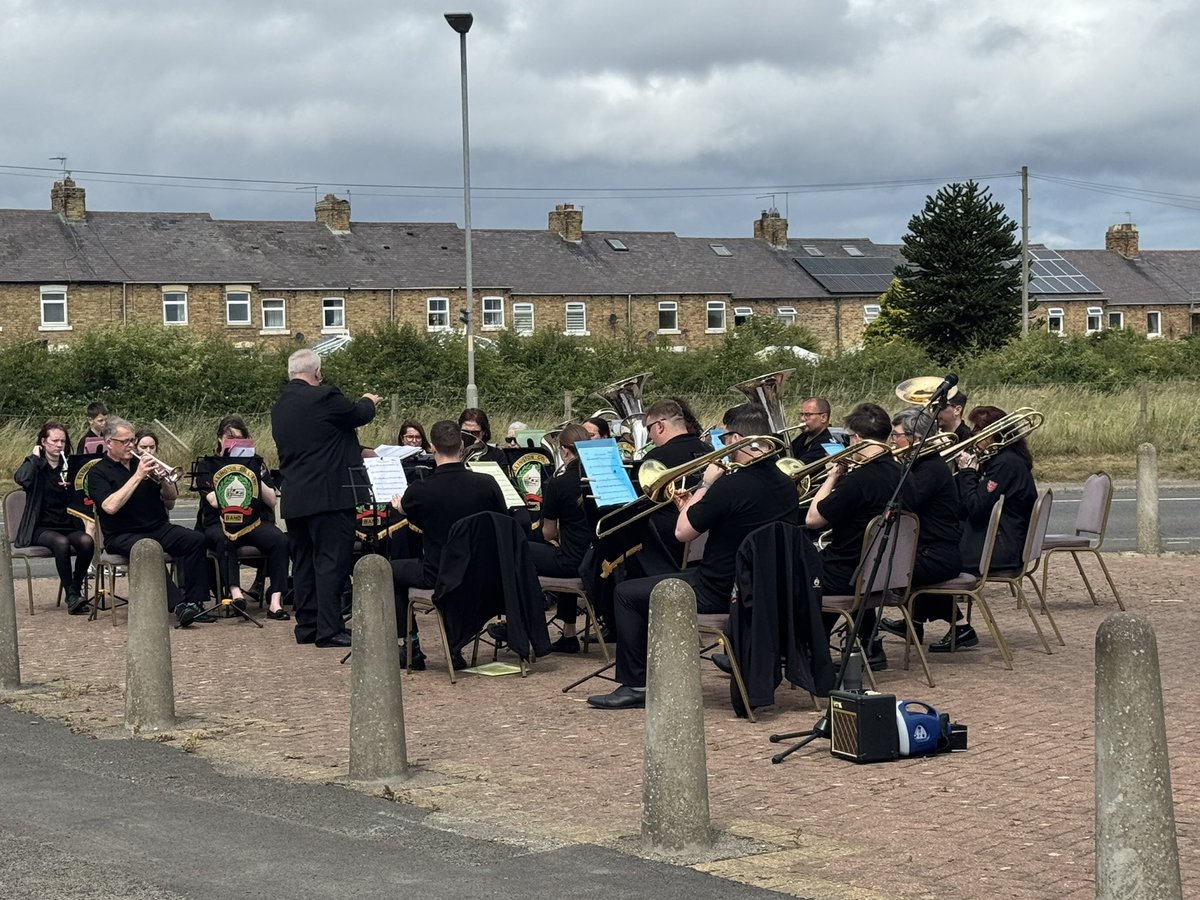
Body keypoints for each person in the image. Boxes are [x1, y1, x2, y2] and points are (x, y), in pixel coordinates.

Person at [588, 403, 800, 710]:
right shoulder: (785, 483)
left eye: (725, 439)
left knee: (625, 593)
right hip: (762, 588)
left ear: (736, 438)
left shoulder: (730, 485)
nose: (723, 445)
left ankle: (636, 683)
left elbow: (683, 533)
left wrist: (705, 484)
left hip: (718, 591)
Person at [271, 348, 380, 649]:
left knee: (304, 562)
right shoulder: (325, 397)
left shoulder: (279, 406)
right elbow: (359, 414)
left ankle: (307, 625)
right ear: (317, 373)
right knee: (331, 561)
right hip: (330, 496)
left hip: (295, 496)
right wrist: (369, 400)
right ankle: (330, 629)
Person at [390, 420, 507, 669]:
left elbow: (413, 516)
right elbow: (502, 520)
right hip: (482, 574)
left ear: (432, 447)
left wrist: (400, 506)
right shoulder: (487, 484)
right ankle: (455, 647)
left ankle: (411, 646)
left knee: (389, 571)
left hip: (439, 575)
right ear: (462, 448)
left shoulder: (420, 490)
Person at [929, 405, 1037, 653]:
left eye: (980, 429)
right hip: (998, 539)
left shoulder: (1005, 464)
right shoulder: (1002, 460)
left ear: (995, 433)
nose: (975, 434)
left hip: (1000, 547)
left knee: (929, 561)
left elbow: (976, 507)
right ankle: (919, 622)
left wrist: (967, 472)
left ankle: (959, 626)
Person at [88, 417, 210, 626]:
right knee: (148, 549)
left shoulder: (143, 463)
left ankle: (195, 602)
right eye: (124, 441)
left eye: (132, 440)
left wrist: (165, 480)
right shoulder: (98, 472)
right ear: (109, 443)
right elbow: (109, 506)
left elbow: (170, 500)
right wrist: (137, 476)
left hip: (156, 526)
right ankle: (178, 605)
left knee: (195, 539)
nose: (130, 446)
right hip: (122, 534)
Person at [805, 402, 900, 671]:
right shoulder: (903, 474)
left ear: (856, 438)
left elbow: (813, 520)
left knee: (789, 570)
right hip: (882, 571)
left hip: (847, 572)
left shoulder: (858, 480)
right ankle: (870, 644)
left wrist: (832, 477)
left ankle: (805, 650)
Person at [878, 408, 964, 647]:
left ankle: (868, 641)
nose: (892, 441)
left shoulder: (930, 468)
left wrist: (888, 468)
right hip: (929, 549)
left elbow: (906, 504)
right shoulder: (920, 465)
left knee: (875, 571)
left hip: (938, 553)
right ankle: (915, 625)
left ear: (915, 439)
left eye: (896, 435)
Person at [195, 415, 290, 620]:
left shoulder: (256, 463)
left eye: (239, 438)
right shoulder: (207, 465)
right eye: (229, 438)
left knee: (280, 541)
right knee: (224, 539)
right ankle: (235, 593)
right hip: (219, 521)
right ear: (220, 439)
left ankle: (275, 601)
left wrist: (253, 473)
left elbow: (272, 501)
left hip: (252, 522)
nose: (234, 443)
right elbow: (213, 500)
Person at [13, 421, 95, 614]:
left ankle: (74, 587)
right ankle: (72, 595)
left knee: (86, 541)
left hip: (67, 523)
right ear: (43, 442)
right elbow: (22, 479)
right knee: (61, 543)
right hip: (41, 526)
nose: (59, 445)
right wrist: (34, 457)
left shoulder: (69, 467)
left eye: (62, 441)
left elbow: (84, 489)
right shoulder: (36, 467)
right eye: (55, 441)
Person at [526, 423, 593, 652]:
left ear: (564, 451)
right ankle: (569, 633)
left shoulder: (558, 483)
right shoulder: (600, 477)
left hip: (573, 563)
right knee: (566, 547)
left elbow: (548, 533)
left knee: (521, 549)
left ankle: (522, 625)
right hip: (596, 560)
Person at [637, 398, 710, 570]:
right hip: (708, 544)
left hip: (672, 548)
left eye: (649, 429)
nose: (649, 436)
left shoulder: (655, 460)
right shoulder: (709, 450)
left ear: (660, 426)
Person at [790, 397, 834, 463]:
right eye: (802, 414)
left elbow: (799, 468)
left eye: (807, 415)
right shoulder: (806, 435)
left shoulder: (829, 443)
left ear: (823, 417)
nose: (802, 419)